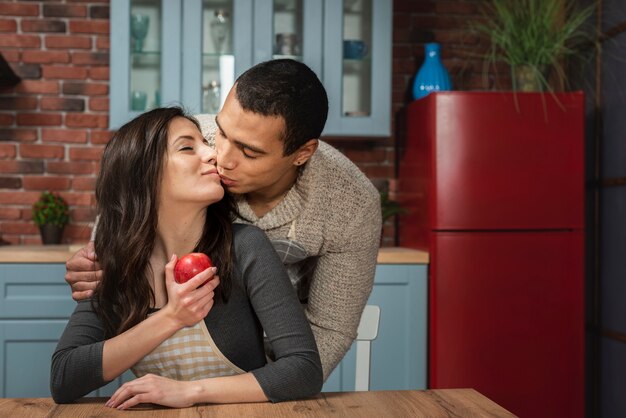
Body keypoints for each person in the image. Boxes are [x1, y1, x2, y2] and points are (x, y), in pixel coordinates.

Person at [64, 59, 382, 379]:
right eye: (222, 133)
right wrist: (102, 257)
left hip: (272, 358)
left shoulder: (350, 204)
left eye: (249, 152)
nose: (221, 158)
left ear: (302, 153)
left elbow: (330, 329)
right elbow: (133, 195)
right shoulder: (198, 140)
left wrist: (269, 385)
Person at [50, 107, 322, 408]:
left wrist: (190, 392)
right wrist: (172, 318)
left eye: (205, 144)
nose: (212, 155)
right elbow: (64, 378)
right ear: (143, 175)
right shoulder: (115, 265)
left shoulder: (245, 247)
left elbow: (304, 369)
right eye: (187, 147)